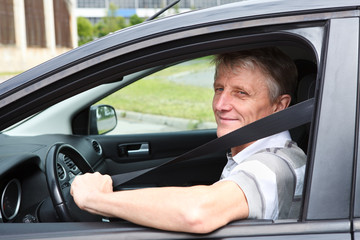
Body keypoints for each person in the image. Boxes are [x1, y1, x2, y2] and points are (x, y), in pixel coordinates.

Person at [70, 47, 307, 234]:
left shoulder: (276, 165)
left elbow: (198, 212)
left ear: (280, 106)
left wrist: (96, 199)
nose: (220, 105)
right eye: (219, 89)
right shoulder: (251, 152)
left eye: (241, 93)